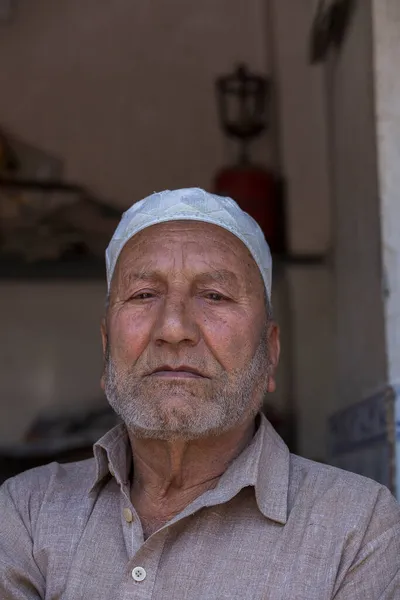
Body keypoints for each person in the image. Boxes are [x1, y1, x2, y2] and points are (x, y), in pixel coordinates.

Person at [0, 188, 399, 599]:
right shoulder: (28, 511)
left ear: (270, 352)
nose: (173, 328)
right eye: (143, 295)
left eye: (215, 296)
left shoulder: (357, 528)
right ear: (106, 348)